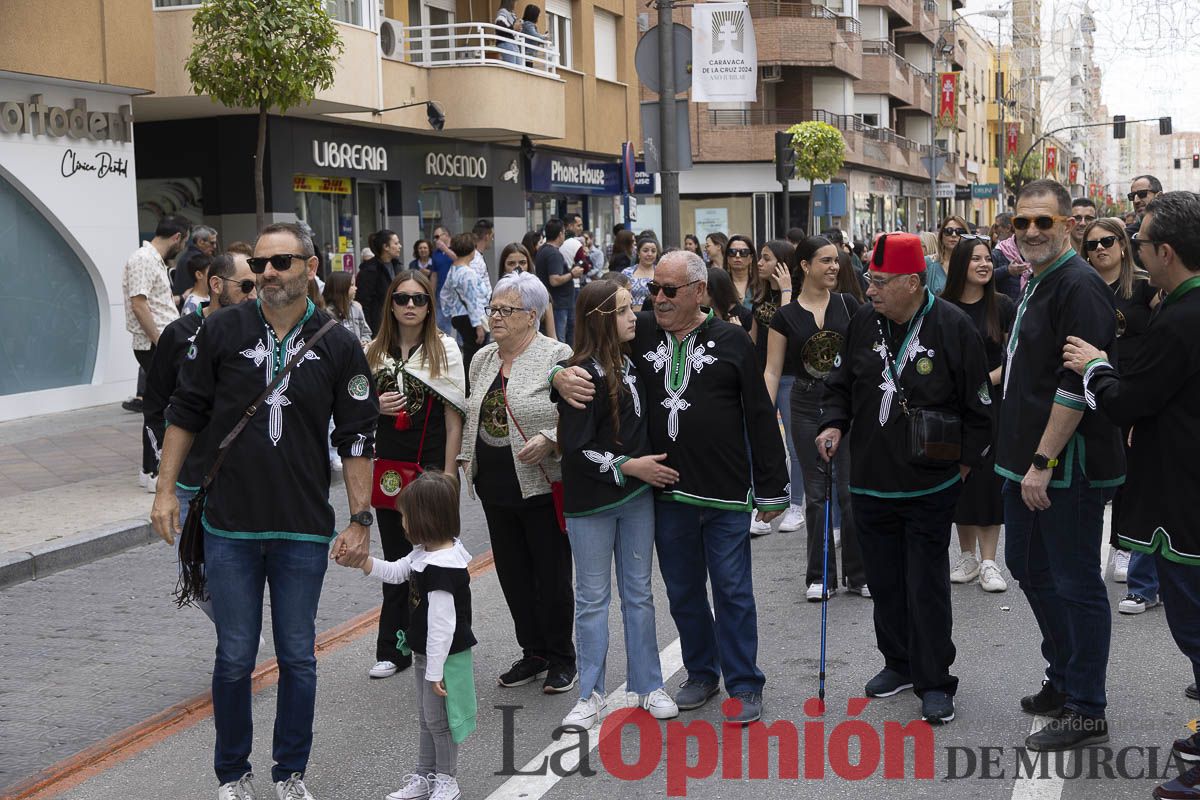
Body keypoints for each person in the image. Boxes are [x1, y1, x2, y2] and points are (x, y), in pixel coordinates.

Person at [150, 222, 379, 800]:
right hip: (228, 525)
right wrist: (163, 491)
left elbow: (357, 437)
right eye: (260, 264)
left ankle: (290, 773)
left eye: (280, 263)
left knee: (299, 656)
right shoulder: (222, 328)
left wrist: (359, 518)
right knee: (233, 656)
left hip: (302, 528)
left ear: (310, 266)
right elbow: (184, 411)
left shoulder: (338, 341)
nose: (267, 273)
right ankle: (233, 775)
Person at [553, 251, 790, 726]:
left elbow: (759, 415)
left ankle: (744, 683)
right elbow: (587, 351)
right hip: (666, 496)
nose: (655, 299)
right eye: (652, 290)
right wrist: (555, 375)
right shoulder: (639, 331)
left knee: (733, 590)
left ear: (699, 291)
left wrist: (772, 487)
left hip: (723, 493)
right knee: (682, 592)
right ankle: (702, 673)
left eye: (668, 291)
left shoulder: (730, 341)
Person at [816, 232, 993, 725]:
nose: (869, 290)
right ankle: (898, 663)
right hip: (870, 482)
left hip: (929, 487)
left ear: (913, 283)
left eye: (880, 282)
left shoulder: (953, 327)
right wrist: (832, 423)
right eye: (870, 280)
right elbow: (839, 386)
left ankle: (935, 680)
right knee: (886, 582)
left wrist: (959, 470)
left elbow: (979, 409)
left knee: (925, 585)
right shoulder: (862, 323)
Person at [1062, 191, 1200, 800]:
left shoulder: (1182, 317)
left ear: (1165, 252)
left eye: (1140, 246)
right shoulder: (1178, 306)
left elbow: (1127, 401)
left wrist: (1095, 365)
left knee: (1196, 631)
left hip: (1185, 495)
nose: (1137, 257)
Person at [994, 180, 1124, 752]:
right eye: (1022, 223)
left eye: (1044, 222)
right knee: (1027, 567)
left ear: (1068, 224)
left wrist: (1043, 461)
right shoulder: (1035, 280)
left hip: (1063, 466)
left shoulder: (1079, 285)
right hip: (1023, 461)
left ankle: (1087, 706)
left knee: (1074, 583)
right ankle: (1063, 673)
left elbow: (1076, 387)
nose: (1030, 233)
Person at [556, 281, 681, 729]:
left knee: (639, 594)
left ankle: (647, 685)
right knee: (592, 599)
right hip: (591, 502)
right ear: (604, 318)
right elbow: (575, 448)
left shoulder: (631, 359)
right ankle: (589, 694)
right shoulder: (580, 375)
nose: (636, 316)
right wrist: (631, 466)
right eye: (626, 310)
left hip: (635, 499)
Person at [458, 271, 577, 694]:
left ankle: (563, 657)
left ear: (532, 315)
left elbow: (579, 415)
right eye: (492, 309)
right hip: (494, 485)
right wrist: (465, 458)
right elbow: (474, 410)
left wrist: (551, 438)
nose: (495, 317)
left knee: (551, 575)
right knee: (513, 575)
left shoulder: (556, 354)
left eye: (505, 310)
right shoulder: (483, 358)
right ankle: (534, 651)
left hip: (541, 485)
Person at [143, 252, 257, 625]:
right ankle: (236, 629)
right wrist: (167, 471)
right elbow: (158, 404)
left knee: (238, 564)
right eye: (245, 286)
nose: (252, 294)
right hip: (190, 477)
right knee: (194, 566)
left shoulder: (258, 332)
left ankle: (237, 635)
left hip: (238, 474)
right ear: (216, 285)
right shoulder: (178, 334)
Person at [346, 472, 476, 800]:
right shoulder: (424, 553)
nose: (401, 521)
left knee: (440, 720)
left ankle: (447, 780)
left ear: (424, 519)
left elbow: (443, 627)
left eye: (405, 515)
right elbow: (397, 572)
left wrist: (434, 672)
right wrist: (365, 563)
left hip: (444, 660)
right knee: (427, 717)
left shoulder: (443, 566)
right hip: (426, 655)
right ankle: (425, 775)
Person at [365, 270, 466, 682]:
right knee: (396, 558)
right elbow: (352, 411)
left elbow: (454, 416)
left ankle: (440, 640)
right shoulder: (372, 351)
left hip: (429, 472)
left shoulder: (446, 350)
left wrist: (450, 472)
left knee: (434, 559)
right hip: (389, 472)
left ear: (429, 306)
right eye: (403, 298)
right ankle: (394, 647)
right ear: (391, 303)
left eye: (419, 299)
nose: (410, 305)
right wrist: (376, 407)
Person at [764, 236, 866, 598]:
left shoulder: (849, 304)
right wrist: (764, 413)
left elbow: (865, 356)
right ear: (805, 266)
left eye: (836, 261)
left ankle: (859, 575)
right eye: (825, 261)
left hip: (846, 405)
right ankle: (820, 577)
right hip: (805, 405)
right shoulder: (785, 316)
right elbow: (773, 371)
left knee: (850, 489)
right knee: (817, 493)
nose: (834, 267)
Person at [1080, 218, 1159, 609]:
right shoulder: (1082, 286)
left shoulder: (1145, 286)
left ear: (1123, 245)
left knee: (1133, 473)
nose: (1099, 249)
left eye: (1107, 241)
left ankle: (1126, 546)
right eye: (1091, 244)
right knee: (1102, 469)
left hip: (1134, 388)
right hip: (1093, 387)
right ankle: (1100, 547)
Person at [940, 237, 1015, 593]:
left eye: (988, 258)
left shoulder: (1002, 305)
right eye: (976, 259)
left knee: (987, 480)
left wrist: (983, 382)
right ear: (960, 266)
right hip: (952, 404)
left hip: (992, 402)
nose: (985, 264)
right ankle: (966, 556)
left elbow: (1012, 357)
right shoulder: (941, 306)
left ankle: (989, 561)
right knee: (960, 479)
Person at [125, 215, 188, 490]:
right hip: (155, 344)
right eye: (184, 241)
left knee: (160, 405)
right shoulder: (143, 259)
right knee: (159, 408)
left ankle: (152, 469)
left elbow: (152, 302)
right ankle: (152, 470)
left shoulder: (152, 260)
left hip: (159, 342)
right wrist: (161, 342)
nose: (182, 247)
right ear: (177, 237)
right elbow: (139, 305)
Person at [750, 239, 802, 536]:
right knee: (763, 439)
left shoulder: (795, 296)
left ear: (782, 264)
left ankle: (796, 505)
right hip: (763, 376)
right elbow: (754, 341)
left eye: (766, 258)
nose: (759, 262)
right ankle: (763, 504)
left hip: (790, 377)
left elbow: (792, 328)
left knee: (794, 444)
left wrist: (785, 292)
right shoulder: (760, 295)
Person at [440, 233, 490, 389]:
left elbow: (444, 293)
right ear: (472, 251)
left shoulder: (453, 269)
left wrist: (449, 310)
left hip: (458, 315)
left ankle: (468, 384)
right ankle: (471, 385)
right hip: (471, 317)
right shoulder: (467, 273)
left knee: (469, 350)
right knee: (475, 353)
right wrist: (478, 325)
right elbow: (472, 300)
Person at [534, 219, 582, 343]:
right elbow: (554, 280)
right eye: (564, 232)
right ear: (560, 233)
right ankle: (561, 362)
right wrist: (572, 274)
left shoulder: (543, 250)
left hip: (555, 302)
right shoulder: (553, 254)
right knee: (559, 338)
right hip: (559, 303)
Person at [357, 229, 403, 335]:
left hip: (398, 321)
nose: (399, 246)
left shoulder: (397, 266)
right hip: (378, 325)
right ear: (385, 247)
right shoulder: (370, 270)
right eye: (396, 243)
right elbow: (364, 302)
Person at [171, 224, 218, 305]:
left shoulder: (185, 257)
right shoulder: (197, 260)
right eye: (212, 243)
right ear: (200, 242)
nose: (215, 246)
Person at [322, 272, 372, 346]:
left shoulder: (356, 308)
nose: (356, 288)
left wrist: (365, 341)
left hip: (357, 353)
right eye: (352, 285)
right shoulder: (327, 312)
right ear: (341, 287)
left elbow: (366, 332)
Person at [925, 217, 969, 295]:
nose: (954, 235)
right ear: (941, 236)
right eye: (949, 231)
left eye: (959, 232)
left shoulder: (971, 264)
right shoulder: (928, 262)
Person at [704, 267, 754, 334]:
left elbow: (751, 343)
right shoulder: (705, 314)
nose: (699, 293)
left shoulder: (745, 316)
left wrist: (739, 331)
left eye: (703, 289)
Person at [990, 213, 1024, 302]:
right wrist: (1007, 271)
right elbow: (988, 275)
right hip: (1006, 306)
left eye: (997, 226)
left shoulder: (1028, 249)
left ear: (1008, 228)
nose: (994, 230)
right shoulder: (997, 252)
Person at [430, 227, 455, 334]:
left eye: (437, 236)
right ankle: (444, 347)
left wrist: (446, 249)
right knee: (441, 323)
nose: (435, 240)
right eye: (434, 237)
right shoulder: (436, 254)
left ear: (446, 235)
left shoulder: (456, 248)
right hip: (441, 293)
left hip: (457, 292)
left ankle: (462, 347)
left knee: (461, 323)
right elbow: (434, 275)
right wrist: (431, 292)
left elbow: (460, 259)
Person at [724, 235, 760, 307]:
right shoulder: (720, 284)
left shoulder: (761, 285)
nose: (737, 256)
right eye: (732, 252)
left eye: (743, 252)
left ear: (751, 258)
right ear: (727, 257)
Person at [622, 237, 657, 310]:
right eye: (645, 251)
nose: (649, 254)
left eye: (653, 251)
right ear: (638, 253)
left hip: (654, 316)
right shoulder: (627, 272)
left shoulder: (661, 272)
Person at [470, 219, 495, 290]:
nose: (492, 240)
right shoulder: (475, 260)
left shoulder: (476, 256)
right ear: (487, 237)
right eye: (492, 236)